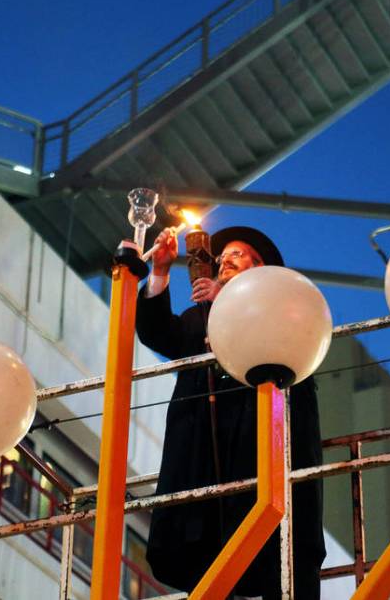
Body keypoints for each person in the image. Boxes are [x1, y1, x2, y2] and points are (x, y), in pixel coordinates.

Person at [136, 225, 325, 599]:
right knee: (204, 543)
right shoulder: (200, 317)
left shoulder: (285, 310)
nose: (225, 260)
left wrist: (232, 300)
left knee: (270, 537)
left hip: (258, 446)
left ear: (261, 268)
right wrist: (159, 270)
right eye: (223, 257)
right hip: (201, 451)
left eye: (238, 255)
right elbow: (158, 333)